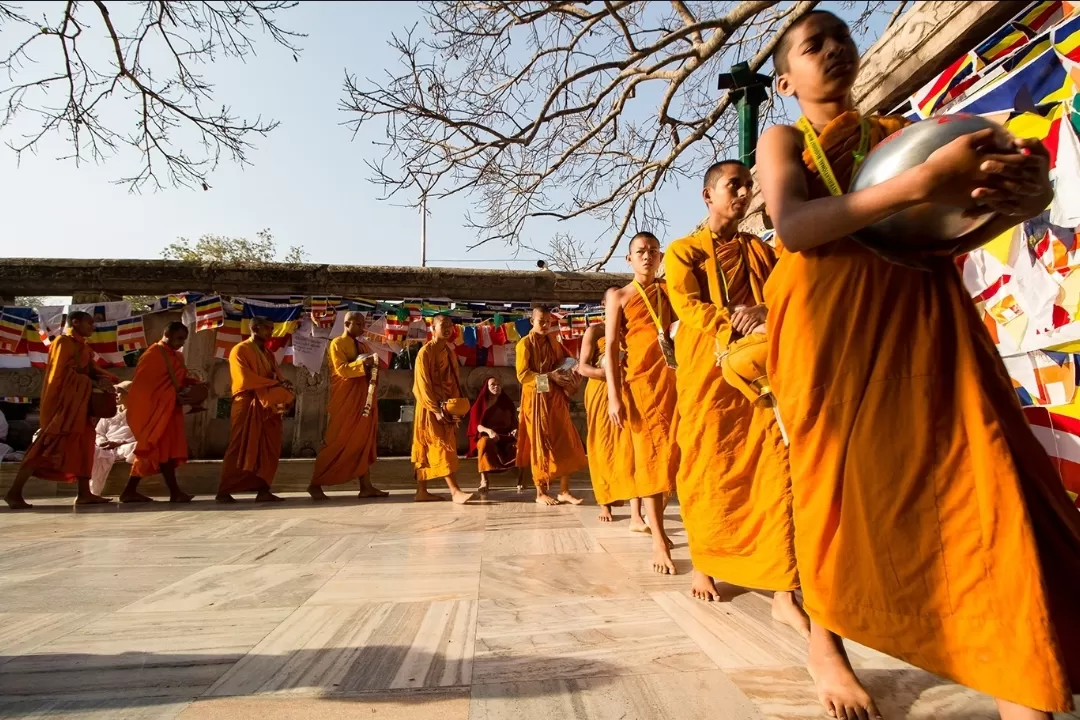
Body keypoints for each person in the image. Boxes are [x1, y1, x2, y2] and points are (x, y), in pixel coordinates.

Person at [757, 9, 1080, 720]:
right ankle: (826, 643)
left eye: (841, 37)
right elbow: (795, 226)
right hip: (828, 337)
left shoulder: (904, 137)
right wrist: (920, 183)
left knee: (981, 480)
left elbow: (957, 225)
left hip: (922, 324)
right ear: (785, 80)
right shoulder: (784, 138)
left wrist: (1026, 196)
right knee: (835, 491)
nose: (834, 50)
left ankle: (1018, 675)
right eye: (814, 45)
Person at [665, 160, 808, 633]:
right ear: (708, 196)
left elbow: (788, 287)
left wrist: (765, 310)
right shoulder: (684, 252)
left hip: (757, 377)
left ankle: (784, 590)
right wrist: (733, 324)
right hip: (707, 374)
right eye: (735, 186)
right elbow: (687, 305)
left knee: (774, 469)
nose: (744, 193)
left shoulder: (759, 250)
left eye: (749, 185)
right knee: (708, 468)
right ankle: (705, 559)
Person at [604, 231, 681, 575]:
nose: (647, 256)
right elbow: (609, 349)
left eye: (652, 250)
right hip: (640, 387)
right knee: (650, 460)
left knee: (674, 458)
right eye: (640, 251)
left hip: (673, 382)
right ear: (629, 259)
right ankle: (659, 539)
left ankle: (658, 524)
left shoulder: (670, 291)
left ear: (660, 255)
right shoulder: (619, 296)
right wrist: (614, 396)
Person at [4, 311, 118, 509]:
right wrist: (89, 381)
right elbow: (59, 376)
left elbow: (91, 370)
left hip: (80, 406)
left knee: (85, 447)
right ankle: (14, 493)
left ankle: (84, 493)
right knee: (44, 448)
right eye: (89, 323)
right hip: (62, 408)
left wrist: (106, 380)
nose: (93, 327)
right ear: (75, 322)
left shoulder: (83, 347)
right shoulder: (62, 344)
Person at [309, 311, 389, 501]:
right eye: (359, 324)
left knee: (362, 442)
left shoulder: (362, 344)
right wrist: (363, 364)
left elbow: (368, 369)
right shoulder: (337, 344)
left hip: (362, 398)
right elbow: (342, 370)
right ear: (347, 324)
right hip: (346, 401)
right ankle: (315, 484)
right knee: (338, 442)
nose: (363, 328)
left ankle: (366, 486)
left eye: (363, 324)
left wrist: (371, 365)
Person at [577, 319, 646, 529]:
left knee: (631, 449)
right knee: (603, 447)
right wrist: (609, 373)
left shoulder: (633, 327)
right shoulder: (595, 331)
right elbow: (583, 368)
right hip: (600, 391)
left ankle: (636, 514)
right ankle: (605, 503)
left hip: (628, 390)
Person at [123, 321, 202, 503]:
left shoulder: (177, 357)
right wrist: (169, 396)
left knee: (165, 452)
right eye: (179, 338)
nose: (182, 343)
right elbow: (144, 388)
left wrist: (193, 386)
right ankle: (171, 492)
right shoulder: (153, 355)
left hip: (169, 410)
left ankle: (138, 491)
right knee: (155, 450)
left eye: (184, 339)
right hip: (156, 411)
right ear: (167, 334)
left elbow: (177, 380)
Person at [515, 306, 587, 506]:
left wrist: (569, 380)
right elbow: (523, 375)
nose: (546, 325)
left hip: (555, 398)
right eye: (541, 321)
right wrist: (549, 376)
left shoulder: (553, 342)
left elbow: (567, 362)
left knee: (566, 440)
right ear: (532, 321)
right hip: (536, 400)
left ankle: (564, 490)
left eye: (549, 321)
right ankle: (540, 491)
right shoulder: (524, 344)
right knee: (540, 443)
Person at [217, 317, 294, 503]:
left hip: (266, 405)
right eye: (267, 328)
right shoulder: (240, 350)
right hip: (247, 403)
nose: (270, 332)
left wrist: (284, 385)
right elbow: (244, 380)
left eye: (271, 328)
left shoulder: (268, 353)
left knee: (269, 447)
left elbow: (276, 374)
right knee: (239, 446)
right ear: (254, 328)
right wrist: (274, 382)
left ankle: (263, 489)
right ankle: (225, 490)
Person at [410, 314, 473, 503]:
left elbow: (453, 381)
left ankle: (421, 491)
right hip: (429, 407)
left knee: (427, 448)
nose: (447, 329)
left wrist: (454, 408)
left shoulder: (449, 351)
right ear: (432, 328)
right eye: (443, 325)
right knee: (440, 445)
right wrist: (436, 410)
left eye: (450, 326)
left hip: (445, 406)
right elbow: (422, 385)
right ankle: (455, 491)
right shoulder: (425, 353)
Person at [466, 375, 524, 496]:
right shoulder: (479, 404)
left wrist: (515, 430)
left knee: (522, 444)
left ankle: (521, 479)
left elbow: (513, 422)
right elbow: (476, 425)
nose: (496, 387)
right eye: (493, 385)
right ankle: (484, 480)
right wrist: (489, 431)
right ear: (486, 387)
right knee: (484, 443)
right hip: (488, 437)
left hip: (505, 437)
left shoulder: (507, 403)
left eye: (498, 385)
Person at [91, 381, 136, 497]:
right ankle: (92, 492)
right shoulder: (111, 411)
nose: (117, 395)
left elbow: (141, 434)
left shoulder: (139, 413)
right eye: (116, 392)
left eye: (120, 393)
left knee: (139, 447)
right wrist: (102, 442)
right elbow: (98, 432)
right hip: (106, 446)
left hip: (125, 446)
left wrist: (119, 442)